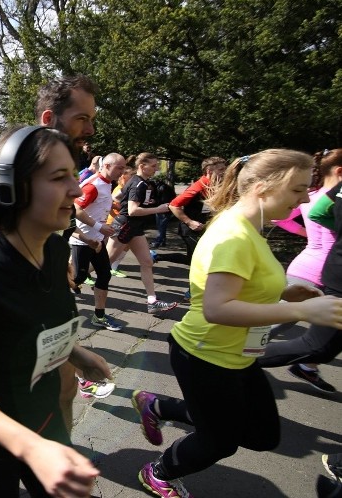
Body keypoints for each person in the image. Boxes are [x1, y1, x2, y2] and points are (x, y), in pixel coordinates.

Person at [131, 149, 342, 498]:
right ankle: (159, 473)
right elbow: (217, 308)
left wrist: (287, 292)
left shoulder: (247, 227)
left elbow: (241, 282)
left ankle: (159, 406)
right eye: (298, 189)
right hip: (206, 354)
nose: (306, 197)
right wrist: (302, 313)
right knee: (220, 441)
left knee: (262, 434)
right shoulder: (234, 235)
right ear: (262, 187)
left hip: (237, 354)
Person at [0, 126, 109, 496]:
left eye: (74, 176)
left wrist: (77, 353)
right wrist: (30, 447)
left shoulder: (57, 252)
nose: (77, 190)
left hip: (44, 415)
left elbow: (37, 324)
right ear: (13, 187)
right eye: (60, 177)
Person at [256, 150, 342, 392]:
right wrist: (308, 235)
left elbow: (281, 220)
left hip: (309, 265)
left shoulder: (313, 195)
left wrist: (306, 235)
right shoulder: (329, 197)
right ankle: (225, 362)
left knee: (284, 325)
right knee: (272, 325)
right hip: (314, 271)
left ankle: (308, 366)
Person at [106, 153, 178, 314]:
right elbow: (132, 211)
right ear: (142, 166)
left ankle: (152, 301)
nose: (156, 168)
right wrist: (158, 209)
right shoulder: (139, 184)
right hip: (125, 226)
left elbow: (117, 195)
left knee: (147, 262)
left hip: (135, 229)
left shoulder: (139, 182)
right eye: (153, 166)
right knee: (105, 262)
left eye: (156, 165)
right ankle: (72, 279)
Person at [69, 152, 127, 332]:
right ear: (107, 166)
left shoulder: (107, 184)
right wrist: (99, 227)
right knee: (77, 278)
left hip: (97, 240)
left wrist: (113, 210)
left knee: (104, 274)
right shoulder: (93, 185)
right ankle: (47, 299)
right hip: (82, 240)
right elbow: (76, 209)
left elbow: (101, 204)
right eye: (119, 168)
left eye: (124, 168)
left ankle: (99, 316)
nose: (122, 172)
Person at [168, 157, 228, 261]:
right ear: (209, 171)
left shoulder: (215, 186)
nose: (224, 172)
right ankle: (156, 255)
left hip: (204, 228)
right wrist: (190, 222)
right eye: (221, 170)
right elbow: (173, 205)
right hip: (190, 229)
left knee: (199, 258)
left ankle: (156, 256)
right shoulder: (197, 187)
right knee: (198, 259)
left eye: (224, 169)